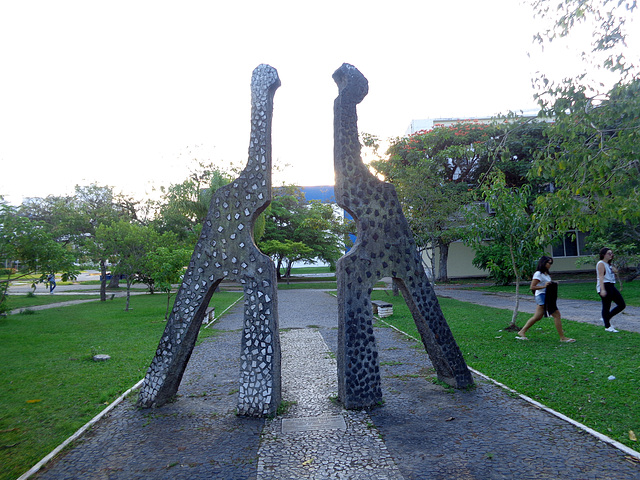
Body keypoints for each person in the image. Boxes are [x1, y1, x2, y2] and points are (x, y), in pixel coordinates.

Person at [517, 256, 575, 342]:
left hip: (547, 295)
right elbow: (532, 287)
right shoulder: (538, 274)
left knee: (537, 316)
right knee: (556, 314)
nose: (550, 265)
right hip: (542, 296)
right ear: (543, 263)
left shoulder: (546, 274)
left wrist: (553, 284)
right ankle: (562, 337)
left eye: (551, 263)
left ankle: (522, 331)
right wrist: (544, 286)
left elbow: (547, 284)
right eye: (549, 263)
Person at [596, 247, 626, 332]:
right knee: (606, 305)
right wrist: (602, 289)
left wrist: (614, 269)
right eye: (609, 253)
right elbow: (601, 277)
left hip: (611, 285)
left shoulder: (608, 264)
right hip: (605, 285)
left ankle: (606, 318)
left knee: (621, 304)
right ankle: (607, 326)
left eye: (612, 253)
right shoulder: (601, 263)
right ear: (603, 255)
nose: (611, 255)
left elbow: (615, 273)